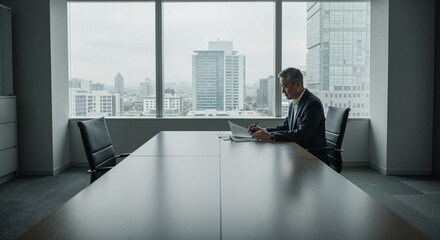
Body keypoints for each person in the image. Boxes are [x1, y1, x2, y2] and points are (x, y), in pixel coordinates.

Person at [248, 67, 327, 164]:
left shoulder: (313, 104)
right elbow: (285, 127)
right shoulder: (293, 103)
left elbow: (302, 134)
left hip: (312, 158)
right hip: (298, 152)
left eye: (285, 86)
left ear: (298, 85)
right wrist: (264, 130)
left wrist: (270, 136)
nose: (282, 91)